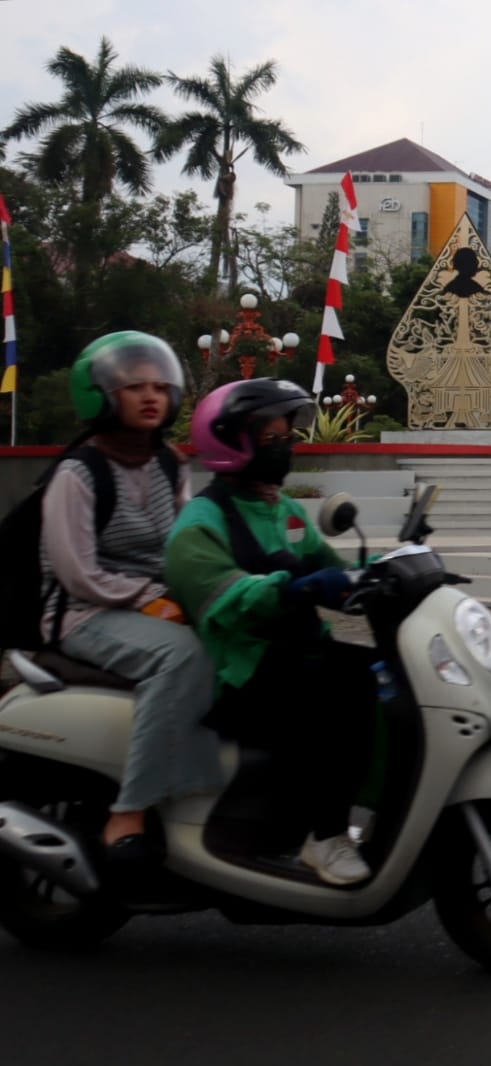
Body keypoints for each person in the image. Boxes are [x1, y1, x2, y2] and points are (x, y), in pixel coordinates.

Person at [164, 378, 377, 886]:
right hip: (242, 671)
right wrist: (297, 588)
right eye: (270, 438)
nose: (284, 446)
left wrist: (385, 571)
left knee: (378, 674)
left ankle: (342, 810)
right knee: (342, 691)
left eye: (287, 436)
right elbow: (230, 599)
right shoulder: (199, 525)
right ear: (229, 442)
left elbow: (329, 566)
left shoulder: (284, 510)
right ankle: (326, 837)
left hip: (293, 651)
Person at [40, 332, 220, 862]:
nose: (150, 397)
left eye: (160, 387)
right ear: (100, 395)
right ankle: (130, 811)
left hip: (152, 601)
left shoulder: (169, 464)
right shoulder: (78, 473)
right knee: (183, 656)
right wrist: (147, 599)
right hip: (84, 611)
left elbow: (186, 545)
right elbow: (78, 573)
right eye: (134, 386)